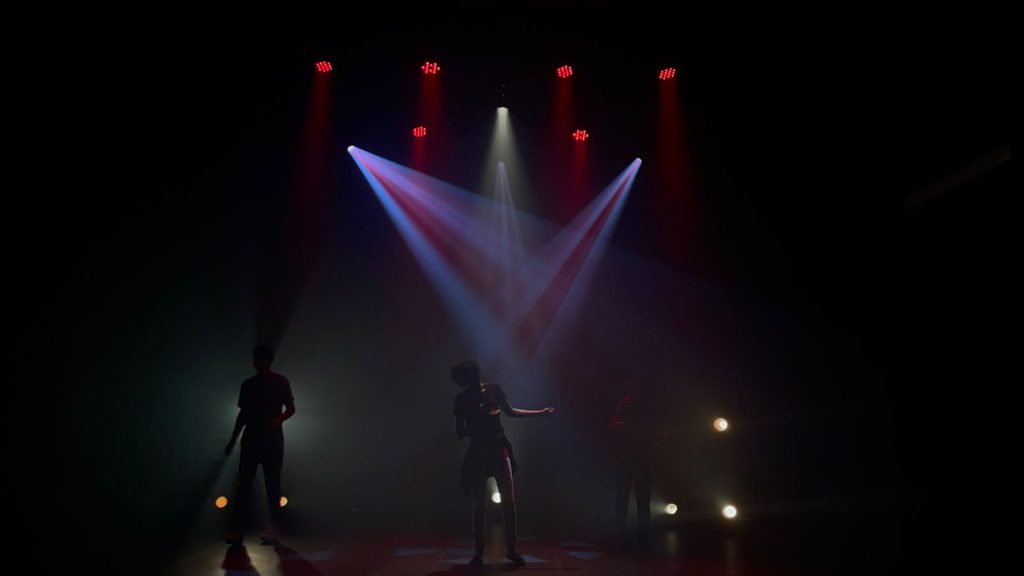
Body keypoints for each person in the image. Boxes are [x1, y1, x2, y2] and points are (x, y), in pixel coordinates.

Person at [451, 360, 554, 566]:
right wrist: (480, 418)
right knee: (480, 503)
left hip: (499, 448)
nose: (476, 380)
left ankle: (512, 550)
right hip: (479, 451)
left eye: (475, 376)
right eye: (470, 378)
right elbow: (460, 432)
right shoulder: (461, 399)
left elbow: (511, 411)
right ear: (464, 381)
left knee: (509, 501)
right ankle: (479, 551)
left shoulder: (493, 389)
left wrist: (540, 412)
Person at [224, 345, 295, 545]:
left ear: (268, 360)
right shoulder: (248, 384)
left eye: (260, 358)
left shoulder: (280, 381)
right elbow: (243, 415)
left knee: (271, 485)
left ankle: (272, 529)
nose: (257, 362)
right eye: (255, 358)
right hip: (253, 439)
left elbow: (291, 408)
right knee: (244, 486)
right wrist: (233, 440)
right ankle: (239, 530)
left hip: (271, 440)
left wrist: (279, 419)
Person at [609, 379, 662, 549]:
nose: (632, 390)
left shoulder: (646, 407)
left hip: (641, 457)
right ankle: (620, 531)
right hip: (627, 457)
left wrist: (657, 434)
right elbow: (613, 424)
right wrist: (629, 426)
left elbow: (652, 429)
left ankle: (643, 533)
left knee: (643, 497)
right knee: (624, 495)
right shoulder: (625, 404)